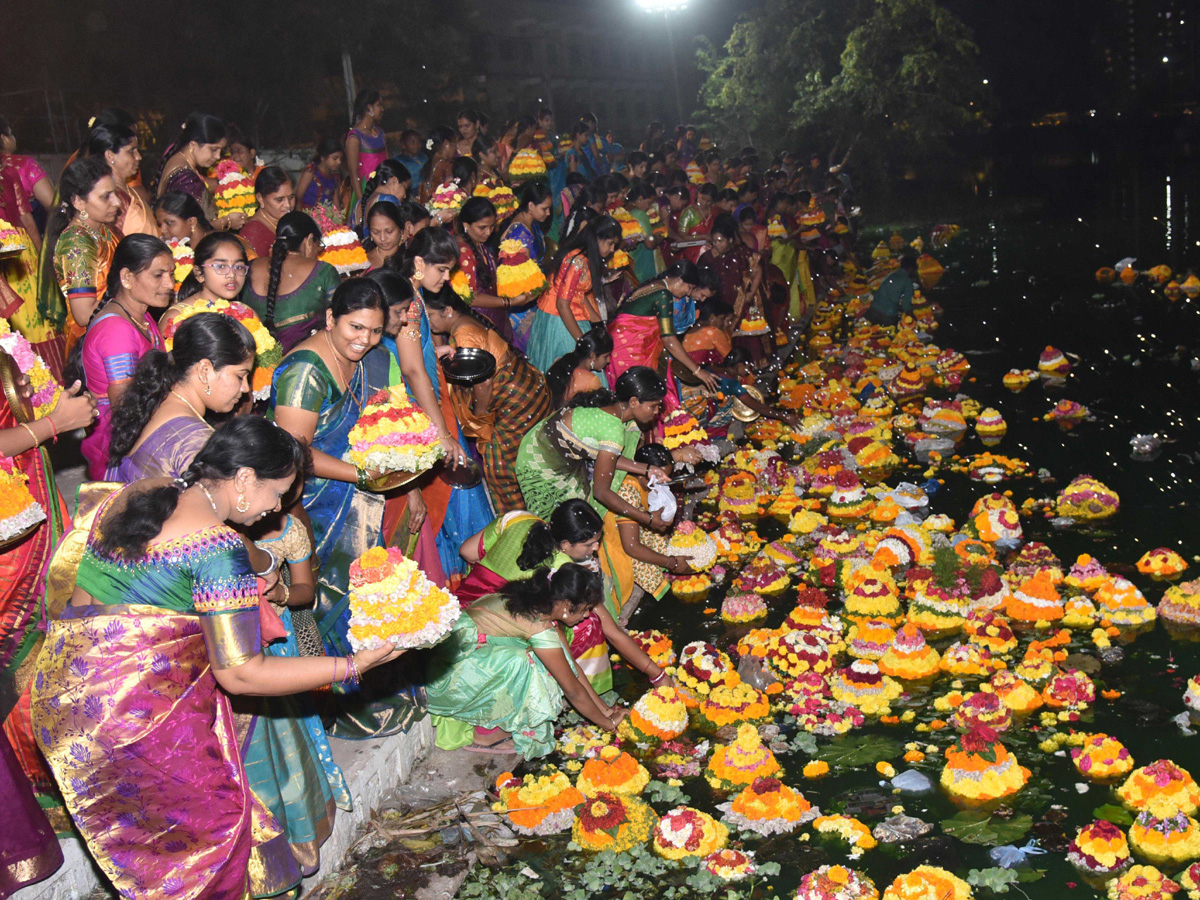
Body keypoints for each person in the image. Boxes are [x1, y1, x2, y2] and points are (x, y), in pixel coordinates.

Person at [32, 417, 404, 899]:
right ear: (246, 479)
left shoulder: (149, 490)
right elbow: (243, 674)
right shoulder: (215, 548)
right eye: (278, 494)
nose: (277, 509)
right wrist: (354, 666)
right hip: (135, 723)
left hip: (67, 696)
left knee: (149, 855)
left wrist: (265, 564)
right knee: (208, 847)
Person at [270, 279, 391, 657]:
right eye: (355, 327)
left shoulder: (366, 357)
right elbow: (295, 456)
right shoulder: (305, 373)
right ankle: (334, 684)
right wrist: (364, 477)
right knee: (330, 598)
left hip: (357, 497)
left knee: (368, 594)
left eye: (375, 331)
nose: (366, 340)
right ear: (329, 319)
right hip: (311, 502)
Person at [0, 361, 95, 800]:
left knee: (59, 633)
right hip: (10, 540)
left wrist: (53, 406)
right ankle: (33, 788)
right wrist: (56, 423)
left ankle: (69, 773)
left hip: (31, 499)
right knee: (24, 642)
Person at [515, 367, 672, 618]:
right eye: (653, 406)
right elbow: (602, 492)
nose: (657, 412)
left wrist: (647, 469)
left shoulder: (614, 412)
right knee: (564, 526)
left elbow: (607, 458)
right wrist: (647, 519)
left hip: (557, 456)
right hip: (540, 464)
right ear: (633, 402)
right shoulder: (613, 429)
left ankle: (575, 580)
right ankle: (552, 590)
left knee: (580, 520)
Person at [424, 565, 624, 757]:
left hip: (454, 666)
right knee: (527, 663)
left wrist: (605, 711)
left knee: (544, 663)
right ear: (565, 605)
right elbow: (571, 689)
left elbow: (572, 669)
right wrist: (607, 725)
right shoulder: (538, 626)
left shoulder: (537, 604)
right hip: (443, 677)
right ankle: (485, 735)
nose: (587, 615)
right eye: (584, 609)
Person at [389, 228, 494, 582]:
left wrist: (435, 353)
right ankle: (459, 582)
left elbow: (413, 358)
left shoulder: (413, 296)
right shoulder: (411, 303)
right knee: (455, 493)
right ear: (419, 263)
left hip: (432, 399)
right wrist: (442, 430)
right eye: (442, 270)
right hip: (425, 407)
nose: (447, 278)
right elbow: (411, 370)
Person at [424, 288, 552, 513]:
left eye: (430, 315)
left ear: (447, 311)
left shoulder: (464, 335)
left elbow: (483, 384)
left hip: (515, 403)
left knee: (500, 466)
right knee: (530, 456)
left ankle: (521, 521)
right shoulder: (465, 322)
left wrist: (481, 417)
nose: (428, 321)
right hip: (529, 390)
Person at [64, 234, 172, 478]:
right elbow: (125, 406)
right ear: (126, 278)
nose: (169, 284)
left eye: (171, 274)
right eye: (158, 275)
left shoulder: (140, 315)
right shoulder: (116, 330)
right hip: (121, 442)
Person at [107, 312, 255, 481]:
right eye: (240, 376)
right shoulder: (194, 442)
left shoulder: (158, 399)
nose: (245, 388)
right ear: (204, 370)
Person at [607, 260, 720, 412]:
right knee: (639, 398)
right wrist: (698, 371)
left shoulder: (656, 286)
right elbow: (668, 338)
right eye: (689, 288)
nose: (688, 293)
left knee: (634, 399)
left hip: (624, 346)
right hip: (629, 349)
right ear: (679, 280)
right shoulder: (663, 294)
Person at [455, 498, 601, 606]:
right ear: (565, 545)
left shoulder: (518, 518)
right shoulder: (564, 569)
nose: (596, 548)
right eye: (589, 544)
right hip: (491, 631)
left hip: (456, 609)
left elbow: (467, 551)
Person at [43, 157, 121, 357]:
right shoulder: (76, 243)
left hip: (114, 325)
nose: (117, 202)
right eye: (106, 197)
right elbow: (84, 314)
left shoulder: (102, 229)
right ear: (78, 202)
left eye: (115, 193)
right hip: (94, 342)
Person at [528, 214, 620, 372]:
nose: (612, 250)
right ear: (597, 238)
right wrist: (583, 345)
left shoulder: (586, 257)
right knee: (578, 370)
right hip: (559, 318)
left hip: (570, 313)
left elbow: (579, 294)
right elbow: (562, 304)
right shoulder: (577, 261)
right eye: (610, 244)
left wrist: (597, 322)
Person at [244, 211, 340, 351]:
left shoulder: (251, 267)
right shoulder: (323, 272)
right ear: (309, 240)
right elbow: (338, 321)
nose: (317, 252)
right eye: (318, 245)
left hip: (255, 361)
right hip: (303, 362)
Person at [616, 444, 695, 602]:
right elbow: (632, 547)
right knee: (651, 571)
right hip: (619, 545)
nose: (664, 482)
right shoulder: (628, 491)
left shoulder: (648, 484)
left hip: (636, 535)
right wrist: (671, 563)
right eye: (659, 478)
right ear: (645, 472)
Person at [157, 112, 244, 231]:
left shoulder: (178, 161)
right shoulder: (186, 177)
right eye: (213, 149)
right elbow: (190, 229)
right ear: (193, 145)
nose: (218, 156)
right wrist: (227, 221)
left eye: (220, 150)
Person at [163, 232, 250, 332]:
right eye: (221, 266)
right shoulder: (177, 319)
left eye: (238, 267)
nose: (232, 275)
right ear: (199, 273)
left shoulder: (246, 313)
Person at [455, 196, 515, 340]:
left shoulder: (480, 245)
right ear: (466, 225)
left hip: (492, 317)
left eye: (492, 226)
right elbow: (470, 298)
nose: (488, 232)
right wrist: (508, 302)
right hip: (476, 322)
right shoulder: (463, 252)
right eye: (482, 227)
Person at [85, 120, 155, 237]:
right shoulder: (112, 199)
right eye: (131, 151)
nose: (139, 157)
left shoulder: (127, 190)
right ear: (110, 155)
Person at [0, 116, 55, 234]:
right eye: (11, 134)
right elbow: (51, 203)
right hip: (25, 237)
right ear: (4, 139)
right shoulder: (25, 164)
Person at [544, 328, 613, 407]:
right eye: (606, 356)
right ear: (593, 356)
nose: (608, 360)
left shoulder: (560, 363)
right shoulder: (591, 381)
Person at [239, 167, 296, 259]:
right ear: (260, 198)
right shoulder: (254, 233)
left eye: (291, 197)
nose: (288, 205)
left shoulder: (289, 220)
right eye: (279, 199)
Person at [344, 89, 387, 209]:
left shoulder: (380, 134)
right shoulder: (354, 137)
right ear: (369, 108)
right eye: (379, 105)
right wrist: (362, 204)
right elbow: (353, 174)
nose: (382, 109)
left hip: (385, 189)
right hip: (366, 192)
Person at [350, 158, 411, 235]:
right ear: (394, 181)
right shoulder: (389, 201)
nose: (405, 196)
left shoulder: (360, 203)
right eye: (405, 188)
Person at [862, 253, 918, 326]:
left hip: (872, 310)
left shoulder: (891, 274)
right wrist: (915, 319)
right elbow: (906, 306)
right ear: (911, 268)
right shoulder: (907, 282)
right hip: (887, 316)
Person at [624, 180, 663, 283]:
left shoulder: (622, 212)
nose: (649, 207)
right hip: (641, 267)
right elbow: (649, 243)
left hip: (629, 266)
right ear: (640, 198)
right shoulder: (639, 214)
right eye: (649, 203)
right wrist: (658, 237)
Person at [295, 137, 344, 215]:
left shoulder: (335, 178)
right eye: (335, 158)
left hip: (326, 221)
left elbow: (336, 205)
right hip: (308, 218)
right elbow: (298, 199)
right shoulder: (310, 172)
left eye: (340, 158)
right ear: (323, 157)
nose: (339, 162)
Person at [417, 126, 456, 205]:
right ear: (446, 144)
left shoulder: (429, 164)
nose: (456, 148)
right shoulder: (447, 165)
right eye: (455, 143)